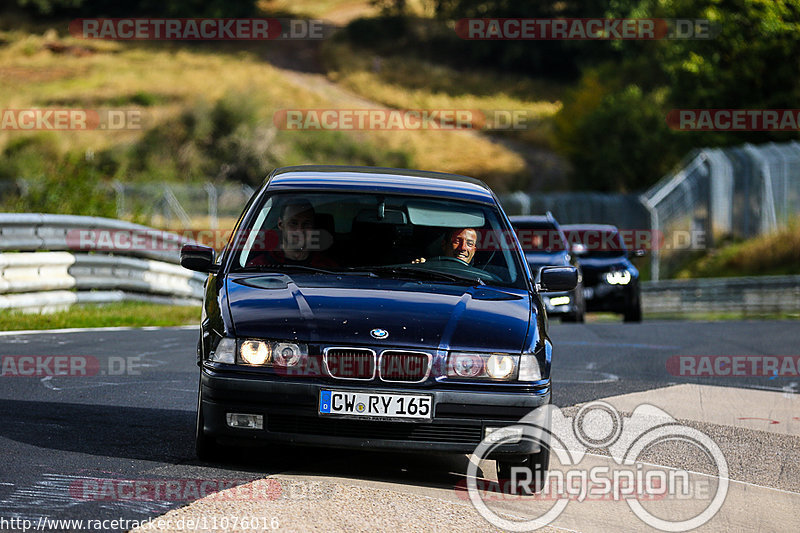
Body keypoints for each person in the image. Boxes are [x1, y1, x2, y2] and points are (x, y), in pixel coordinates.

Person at [246, 199, 337, 268]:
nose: (299, 230)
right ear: (281, 225)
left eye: (306, 224)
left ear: (313, 227)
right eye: (293, 223)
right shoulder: (259, 267)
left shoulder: (329, 268)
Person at [413, 227, 478, 265]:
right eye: (456, 241)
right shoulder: (429, 269)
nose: (462, 248)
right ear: (444, 244)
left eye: (469, 244)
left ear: (474, 250)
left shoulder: (481, 280)